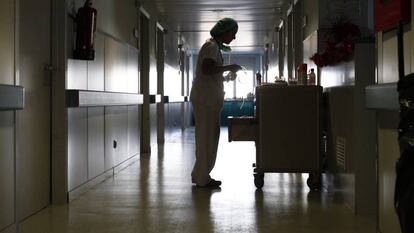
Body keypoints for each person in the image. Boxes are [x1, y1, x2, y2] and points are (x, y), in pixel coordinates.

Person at [190, 18, 242, 188]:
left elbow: (210, 75)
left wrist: (226, 77)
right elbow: (207, 69)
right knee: (206, 139)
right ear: (224, 31)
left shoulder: (214, 47)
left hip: (208, 100)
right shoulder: (211, 46)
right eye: (232, 33)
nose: (234, 37)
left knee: (209, 138)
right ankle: (202, 179)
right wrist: (229, 67)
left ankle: (200, 174)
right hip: (205, 101)